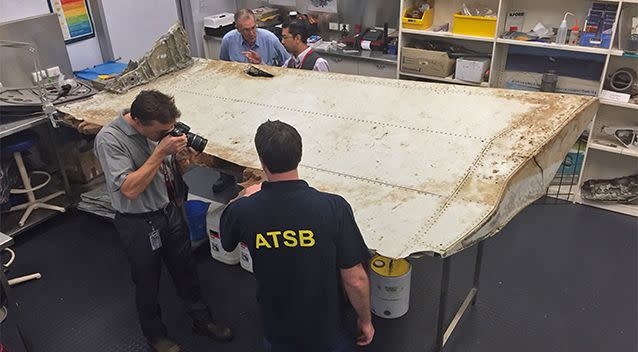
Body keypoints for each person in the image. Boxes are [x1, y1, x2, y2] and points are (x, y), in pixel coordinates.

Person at [94, 90, 233, 352]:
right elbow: (129, 189)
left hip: (170, 211)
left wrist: (181, 158)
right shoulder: (110, 140)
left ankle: (202, 321)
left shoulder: (159, 132)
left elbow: (171, 171)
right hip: (138, 222)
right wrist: (160, 152)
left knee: (186, 270)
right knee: (147, 281)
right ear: (137, 120)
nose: (166, 135)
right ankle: (155, 335)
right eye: (160, 132)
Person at [220, 120, 374, 352]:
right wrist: (365, 320)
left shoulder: (243, 210)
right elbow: (355, 279)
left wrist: (245, 194)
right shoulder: (333, 207)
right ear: (299, 156)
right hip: (328, 331)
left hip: (279, 330)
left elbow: (227, 240)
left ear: (262, 161)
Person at [220, 9, 290, 67]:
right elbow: (224, 66)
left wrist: (261, 63)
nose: (251, 33)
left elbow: (289, 64)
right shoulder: (228, 40)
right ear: (238, 29)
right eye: (246, 30)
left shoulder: (270, 39)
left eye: (253, 28)